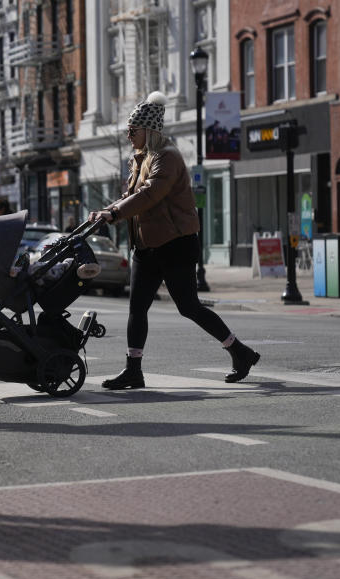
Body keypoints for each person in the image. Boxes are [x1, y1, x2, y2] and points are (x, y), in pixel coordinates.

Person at [89, 91, 259, 389]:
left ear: (148, 130)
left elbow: (150, 195)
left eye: (133, 130)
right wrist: (107, 211)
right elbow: (132, 197)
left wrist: (114, 213)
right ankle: (133, 370)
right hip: (147, 246)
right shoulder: (141, 159)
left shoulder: (168, 157)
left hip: (175, 243)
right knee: (137, 308)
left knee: (189, 307)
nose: (129, 135)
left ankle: (239, 351)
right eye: (128, 130)